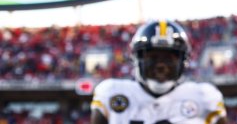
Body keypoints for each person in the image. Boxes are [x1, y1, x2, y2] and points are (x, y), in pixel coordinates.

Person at [91, 19, 227, 124]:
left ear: (183, 61)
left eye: (169, 58)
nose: (161, 65)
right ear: (137, 58)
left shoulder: (203, 96)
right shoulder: (112, 92)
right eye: (153, 57)